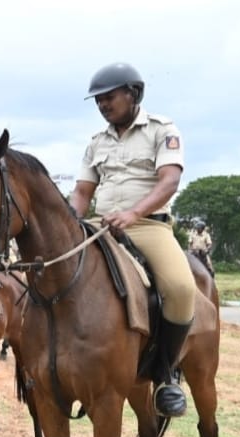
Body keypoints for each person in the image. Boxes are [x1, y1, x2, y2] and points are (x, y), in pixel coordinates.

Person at [70, 62, 193, 418]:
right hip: (101, 226)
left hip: (147, 225)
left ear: (132, 93)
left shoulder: (161, 130)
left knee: (181, 289)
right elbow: (81, 191)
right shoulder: (96, 143)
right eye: (98, 101)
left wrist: (133, 214)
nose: (103, 105)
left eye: (109, 97)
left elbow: (169, 181)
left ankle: (167, 375)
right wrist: (69, 223)